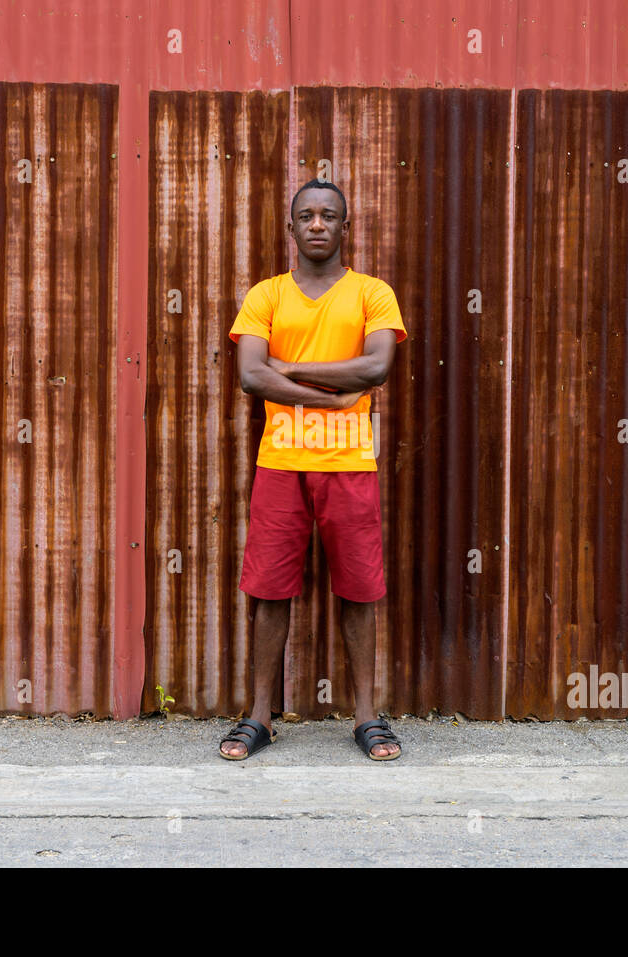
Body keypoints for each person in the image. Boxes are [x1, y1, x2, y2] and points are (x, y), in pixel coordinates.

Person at [220, 178, 408, 761]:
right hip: (281, 462)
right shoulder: (266, 295)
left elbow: (376, 367)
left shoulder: (373, 293)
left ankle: (368, 718)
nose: (318, 224)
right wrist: (329, 394)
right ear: (292, 228)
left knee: (359, 588)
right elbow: (252, 375)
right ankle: (259, 716)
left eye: (330, 215)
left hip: (350, 463)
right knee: (270, 589)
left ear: (345, 227)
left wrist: (290, 369)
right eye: (307, 216)